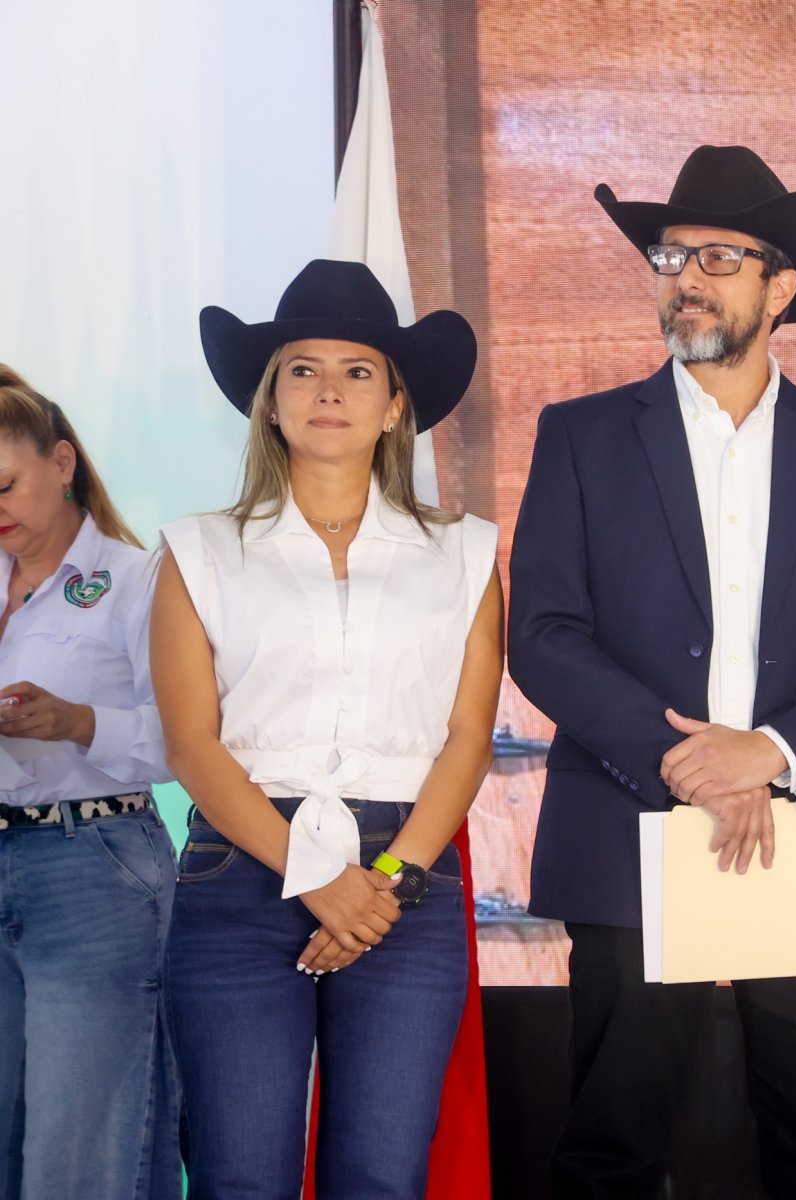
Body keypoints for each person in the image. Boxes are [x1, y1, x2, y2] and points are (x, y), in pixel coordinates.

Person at [510, 144, 796, 1199]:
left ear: (779, 288)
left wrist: (772, 753)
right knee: (611, 1149)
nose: (685, 279)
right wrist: (690, 763)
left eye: (716, 258)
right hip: (632, 829)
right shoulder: (582, 436)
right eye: (670, 257)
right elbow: (546, 634)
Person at [151, 260, 503, 1199]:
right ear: (270, 403)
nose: (329, 392)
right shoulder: (198, 549)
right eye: (302, 370)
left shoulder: (464, 551)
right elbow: (191, 745)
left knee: (380, 1178)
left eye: (358, 372)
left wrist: (385, 884)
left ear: (395, 405)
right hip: (240, 868)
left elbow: (469, 736)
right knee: (238, 1177)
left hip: (404, 878)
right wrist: (317, 879)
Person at [0, 365, 179, 1200]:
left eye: (5, 484)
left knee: (77, 1152)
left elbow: (187, 744)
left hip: (94, 866)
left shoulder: (141, 580)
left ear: (62, 462)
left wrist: (77, 722)